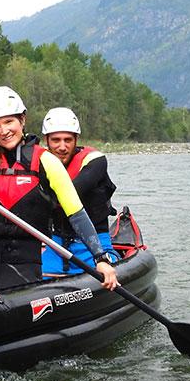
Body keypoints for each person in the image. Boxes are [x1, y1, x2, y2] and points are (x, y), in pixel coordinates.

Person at [0, 87, 118, 292]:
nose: (4, 131)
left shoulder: (46, 161)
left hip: (22, 260)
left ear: (22, 120)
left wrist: (101, 258)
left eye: (9, 122)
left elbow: (77, 215)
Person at [40, 107, 118, 276]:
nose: (62, 147)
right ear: (47, 140)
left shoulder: (95, 162)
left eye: (68, 140)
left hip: (96, 243)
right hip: (57, 244)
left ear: (76, 139)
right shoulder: (40, 163)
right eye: (56, 140)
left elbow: (69, 194)